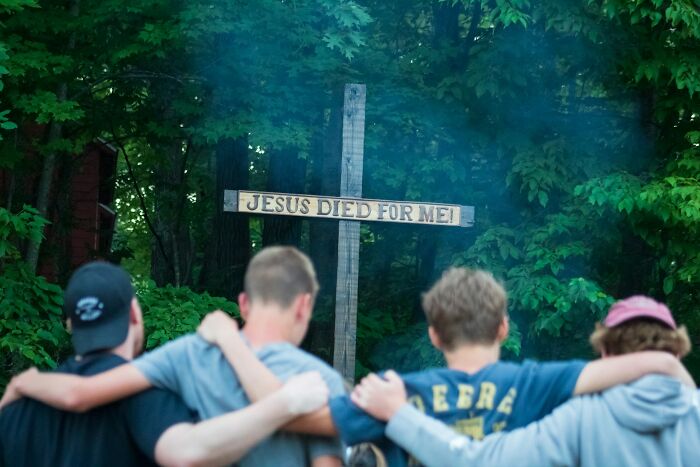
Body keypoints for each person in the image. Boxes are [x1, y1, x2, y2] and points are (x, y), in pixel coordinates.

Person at [194, 267, 695, 466]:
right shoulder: (545, 383)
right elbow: (619, 374)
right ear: (503, 328)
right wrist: (669, 365)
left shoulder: (395, 394)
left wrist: (234, 345)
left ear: (433, 334)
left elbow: (288, 412)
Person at [0, 248, 345, 467]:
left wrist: (23, 382)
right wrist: (286, 401)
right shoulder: (317, 381)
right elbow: (184, 453)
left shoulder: (183, 356)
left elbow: (80, 393)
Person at [352, 295, 699, 467]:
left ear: (606, 354)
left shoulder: (581, 418)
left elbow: (477, 462)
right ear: (677, 353)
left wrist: (399, 413)